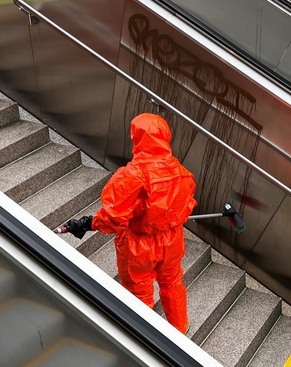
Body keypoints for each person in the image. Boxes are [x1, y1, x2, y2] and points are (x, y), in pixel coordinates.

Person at [62, 113, 197, 334]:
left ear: (137, 138)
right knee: (172, 283)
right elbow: (186, 204)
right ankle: (179, 329)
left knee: (139, 294)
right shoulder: (181, 172)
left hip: (139, 246)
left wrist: (88, 224)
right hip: (172, 239)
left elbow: (114, 217)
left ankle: (144, 338)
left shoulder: (132, 175)